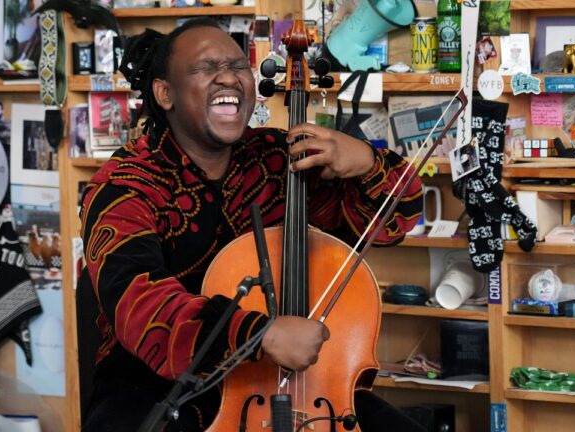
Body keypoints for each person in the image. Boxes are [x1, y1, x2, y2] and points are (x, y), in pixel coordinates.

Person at [79, 18, 425, 432]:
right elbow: (139, 304)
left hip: (298, 388)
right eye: (207, 68)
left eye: (238, 66)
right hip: (158, 386)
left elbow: (389, 225)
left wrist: (368, 162)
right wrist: (259, 335)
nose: (229, 77)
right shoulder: (125, 185)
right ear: (165, 93)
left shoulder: (280, 158)